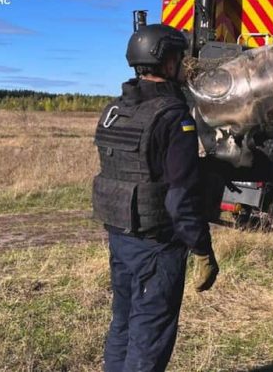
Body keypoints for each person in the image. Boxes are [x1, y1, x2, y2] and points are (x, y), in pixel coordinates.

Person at [92, 23, 219, 372]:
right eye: (179, 57)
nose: (182, 64)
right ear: (166, 62)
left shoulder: (116, 110)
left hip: (121, 238)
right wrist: (203, 250)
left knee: (124, 324)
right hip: (157, 246)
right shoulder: (172, 116)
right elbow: (180, 198)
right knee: (150, 337)